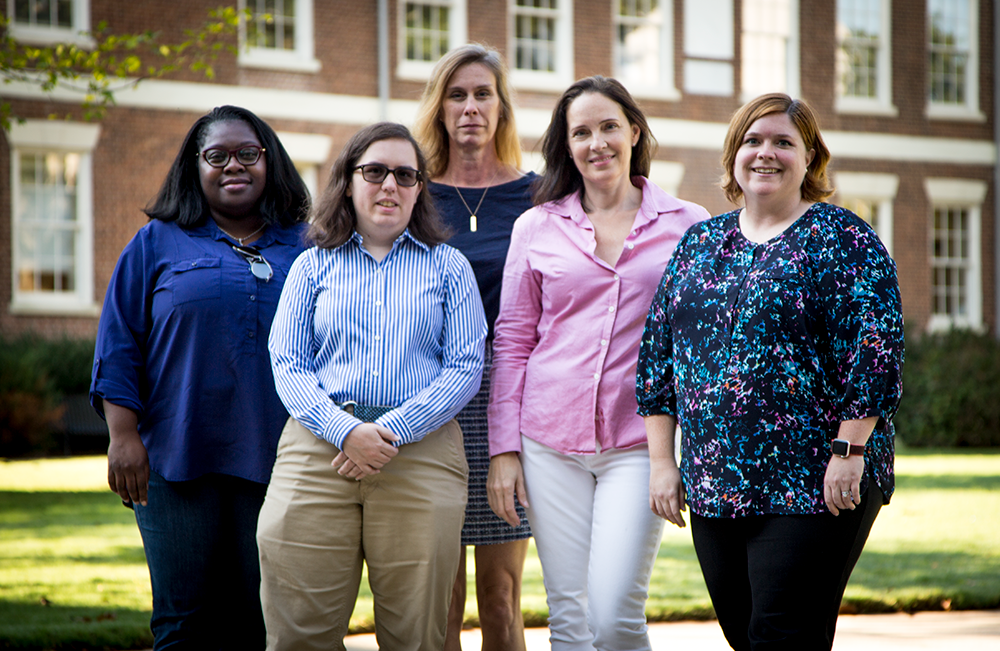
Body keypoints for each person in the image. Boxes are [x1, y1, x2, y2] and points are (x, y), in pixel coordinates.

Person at [635, 93, 904, 651]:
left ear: (810, 159)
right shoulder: (700, 243)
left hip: (817, 479)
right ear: (734, 153)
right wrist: (663, 462)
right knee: (745, 632)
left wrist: (849, 453)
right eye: (753, 140)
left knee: (780, 634)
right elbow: (657, 357)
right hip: (717, 483)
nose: (766, 153)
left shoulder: (844, 239)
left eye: (784, 142)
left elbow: (876, 352)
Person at [487, 76, 710, 650]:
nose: (597, 142)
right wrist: (504, 450)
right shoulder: (535, 226)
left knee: (614, 614)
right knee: (568, 615)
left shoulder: (690, 225)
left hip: (638, 443)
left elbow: (704, 343)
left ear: (634, 131)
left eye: (609, 126)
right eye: (580, 132)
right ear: (567, 146)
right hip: (548, 440)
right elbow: (512, 339)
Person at [257, 122, 487, 651]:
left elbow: (465, 366)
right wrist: (346, 431)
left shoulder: (448, 266)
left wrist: (387, 431)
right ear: (348, 181)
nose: (390, 185)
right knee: (298, 636)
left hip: (421, 454)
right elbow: (287, 362)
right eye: (375, 171)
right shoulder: (312, 265)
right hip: (319, 451)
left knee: (417, 638)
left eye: (406, 175)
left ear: (419, 189)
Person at [90, 105, 310, 648]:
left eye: (248, 154)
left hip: (280, 459)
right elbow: (119, 343)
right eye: (217, 155)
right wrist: (122, 437)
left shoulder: (307, 246)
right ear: (196, 166)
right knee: (183, 623)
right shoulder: (157, 242)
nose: (233, 165)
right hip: (176, 460)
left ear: (269, 162)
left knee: (261, 621)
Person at [413, 43, 535, 651]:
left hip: (509, 397)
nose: (469, 107)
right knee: (441, 598)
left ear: (501, 107)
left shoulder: (540, 196)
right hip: (429, 397)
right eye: (456, 95)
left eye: (482, 93)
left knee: (501, 596)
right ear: (439, 108)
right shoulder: (409, 194)